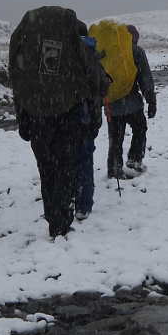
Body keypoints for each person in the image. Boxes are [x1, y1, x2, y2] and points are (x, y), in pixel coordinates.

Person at [10, 7, 109, 238]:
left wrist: (23, 118)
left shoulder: (28, 48)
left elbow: (18, 83)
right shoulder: (77, 47)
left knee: (47, 171)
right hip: (68, 118)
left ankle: (54, 221)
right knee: (65, 169)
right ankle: (63, 223)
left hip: (36, 118)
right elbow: (98, 81)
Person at [106, 24, 156, 178]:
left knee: (115, 138)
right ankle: (135, 159)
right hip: (132, 103)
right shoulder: (136, 52)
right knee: (140, 129)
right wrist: (151, 100)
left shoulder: (109, 52)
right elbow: (145, 78)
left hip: (112, 104)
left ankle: (114, 168)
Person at [74, 21, 108, 221]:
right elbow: (103, 86)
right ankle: (83, 205)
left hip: (64, 119)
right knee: (85, 160)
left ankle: (67, 198)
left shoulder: (64, 55)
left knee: (66, 160)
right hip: (88, 119)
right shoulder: (91, 55)